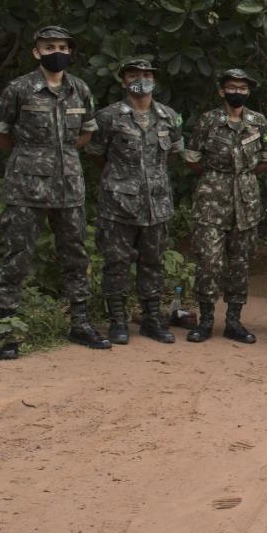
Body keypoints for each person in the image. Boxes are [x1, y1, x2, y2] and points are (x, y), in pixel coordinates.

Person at [0, 25, 110, 357]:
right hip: (26, 186)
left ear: (70, 53)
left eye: (63, 47)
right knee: (17, 256)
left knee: (75, 254)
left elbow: (86, 134)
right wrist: (28, 153)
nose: (57, 52)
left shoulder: (79, 89)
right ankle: (8, 331)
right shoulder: (20, 88)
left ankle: (80, 323)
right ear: (36, 52)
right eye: (50, 46)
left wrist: (62, 154)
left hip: (68, 186)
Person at [87, 58, 185, 345]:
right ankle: (118, 321)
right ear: (123, 81)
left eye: (146, 74)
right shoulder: (108, 117)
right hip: (118, 205)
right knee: (116, 263)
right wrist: (123, 181)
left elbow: (174, 154)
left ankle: (152, 319)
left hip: (157, 205)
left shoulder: (169, 116)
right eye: (133, 74)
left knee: (152, 263)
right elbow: (96, 154)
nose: (140, 79)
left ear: (154, 79)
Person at [183, 68, 267, 344]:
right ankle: (206, 320)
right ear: (222, 91)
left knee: (240, 263)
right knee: (209, 263)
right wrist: (215, 177)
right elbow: (192, 157)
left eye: (243, 88)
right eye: (232, 87)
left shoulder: (258, 122)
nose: (238, 92)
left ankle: (234, 321)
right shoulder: (209, 121)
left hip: (246, 202)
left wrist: (245, 175)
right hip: (212, 201)